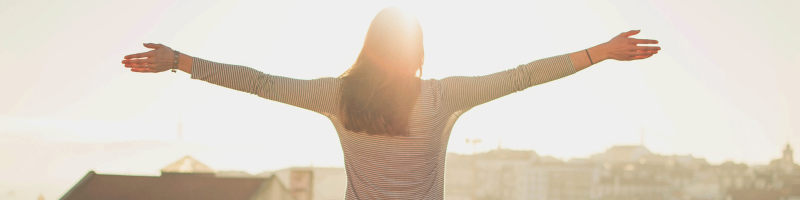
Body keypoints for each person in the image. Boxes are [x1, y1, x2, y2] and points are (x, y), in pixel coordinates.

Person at [121, 7, 660, 200]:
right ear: (418, 51)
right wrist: (599, 53)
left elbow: (260, 82)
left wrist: (181, 61)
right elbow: (521, 77)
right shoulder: (444, 95)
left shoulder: (336, 94)